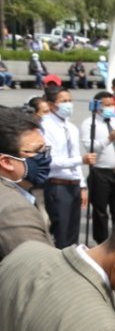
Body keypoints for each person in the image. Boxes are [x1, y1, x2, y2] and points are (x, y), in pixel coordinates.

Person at [42, 85, 93, 248]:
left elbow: (75, 155)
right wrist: (80, 160)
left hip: (74, 185)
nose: (68, 104)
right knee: (61, 233)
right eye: (63, 101)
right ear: (51, 105)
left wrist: (82, 185)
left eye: (70, 100)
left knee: (73, 233)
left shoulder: (71, 128)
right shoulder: (45, 126)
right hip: (57, 185)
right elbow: (50, 161)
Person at [0, 106, 53, 260]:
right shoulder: (13, 210)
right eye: (38, 151)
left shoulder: (23, 191)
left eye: (45, 149)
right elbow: (39, 270)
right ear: (7, 162)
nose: (45, 157)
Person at [78, 91, 115, 244]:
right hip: (100, 172)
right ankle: (101, 240)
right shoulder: (90, 123)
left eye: (112, 104)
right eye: (107, 105)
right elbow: (90, 147)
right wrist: (108, 139)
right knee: (100, 210)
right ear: (97, 106)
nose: (111, 107)